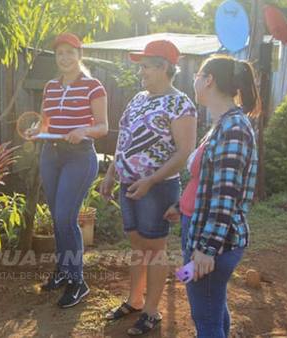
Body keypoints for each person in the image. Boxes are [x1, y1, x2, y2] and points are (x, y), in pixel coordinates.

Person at [99, 40, 197, 335]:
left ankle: (152, 312)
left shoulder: (181, 104)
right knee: (137, 245)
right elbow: (123, 139)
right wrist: (110, 173)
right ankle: (135, 300)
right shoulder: (138, 98)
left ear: (164, 67)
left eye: (145, 66)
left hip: (157, 188)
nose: (141, 72)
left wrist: (151, 181)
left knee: (155, 249)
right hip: (128, 183)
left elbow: (184, 152)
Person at [164, 54, 260, 338]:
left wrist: (206, 249)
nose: (193, 80)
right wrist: (181, 208)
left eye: (197, 75)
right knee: (213, 309)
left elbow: (226, 196)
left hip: (213, 243)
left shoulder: (233, 129)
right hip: (200, 232)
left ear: (208, 80)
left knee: (205, 318)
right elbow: (205, 182)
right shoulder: (223, 124)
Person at [26, 32, 108, 308]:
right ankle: (63, 271)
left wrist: (84, 129)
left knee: (65, 218)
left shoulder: (93, 86)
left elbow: (103, 127)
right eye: (60, 53)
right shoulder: (50, 86)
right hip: (51, 155)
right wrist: (36, 131)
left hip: (79, 157)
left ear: (79, 55)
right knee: (56, 217)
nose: (64, 58)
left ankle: (78, 282)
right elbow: (46, 123)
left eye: (70, 52)